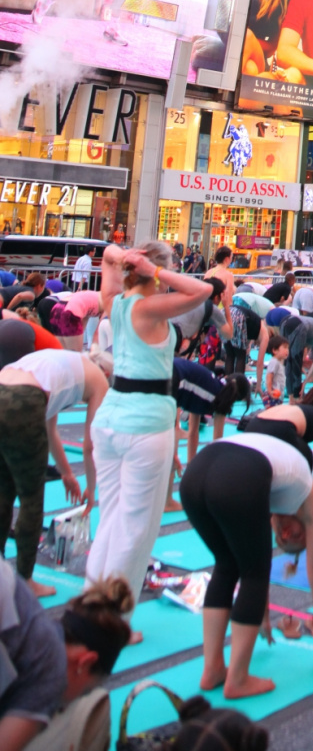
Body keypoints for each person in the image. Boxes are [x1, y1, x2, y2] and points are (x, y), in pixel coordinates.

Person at [86, 242, 212, 631]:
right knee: (136, 528)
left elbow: (107, 255)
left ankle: (92, 606)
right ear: (155, 272)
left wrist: (123, 257)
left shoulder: (117, 303)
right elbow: (203, 291)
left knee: (111, 519)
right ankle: (113, 621)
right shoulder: (145, 305)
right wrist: (152, 269)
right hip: (145, 423)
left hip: (111, 419)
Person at [179, 428, 313, 699]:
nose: (283, 535)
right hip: (233, 472)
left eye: (282, 539)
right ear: (296, 531)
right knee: (254, 571)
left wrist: (263, 616)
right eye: (294, 539)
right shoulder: (312, 503)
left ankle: (213, 670)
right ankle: (238, 679)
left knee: (227, 564)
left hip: (195, 474)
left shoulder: (275, 489)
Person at [0, 351, 107, 597]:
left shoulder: (63, 363)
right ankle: (25, 580)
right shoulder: (99, 380)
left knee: (3, 491)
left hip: (3, 384)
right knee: (31, 499)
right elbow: (90, 445)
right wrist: (91, 489)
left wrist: (68, 474)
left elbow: (51, 430)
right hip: (23, 399)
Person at [0, 570, 133, 751]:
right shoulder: (51, 673)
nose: (66, 706)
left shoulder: (32, 623)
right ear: (85, 662)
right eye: (85, 692)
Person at [172, 361, 253, 463]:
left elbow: (192, 432)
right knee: (169, 459)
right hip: (173, 377)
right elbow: (217, 442)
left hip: (171, 367)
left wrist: (190, 465)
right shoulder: (220, 399)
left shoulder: (208, 385)